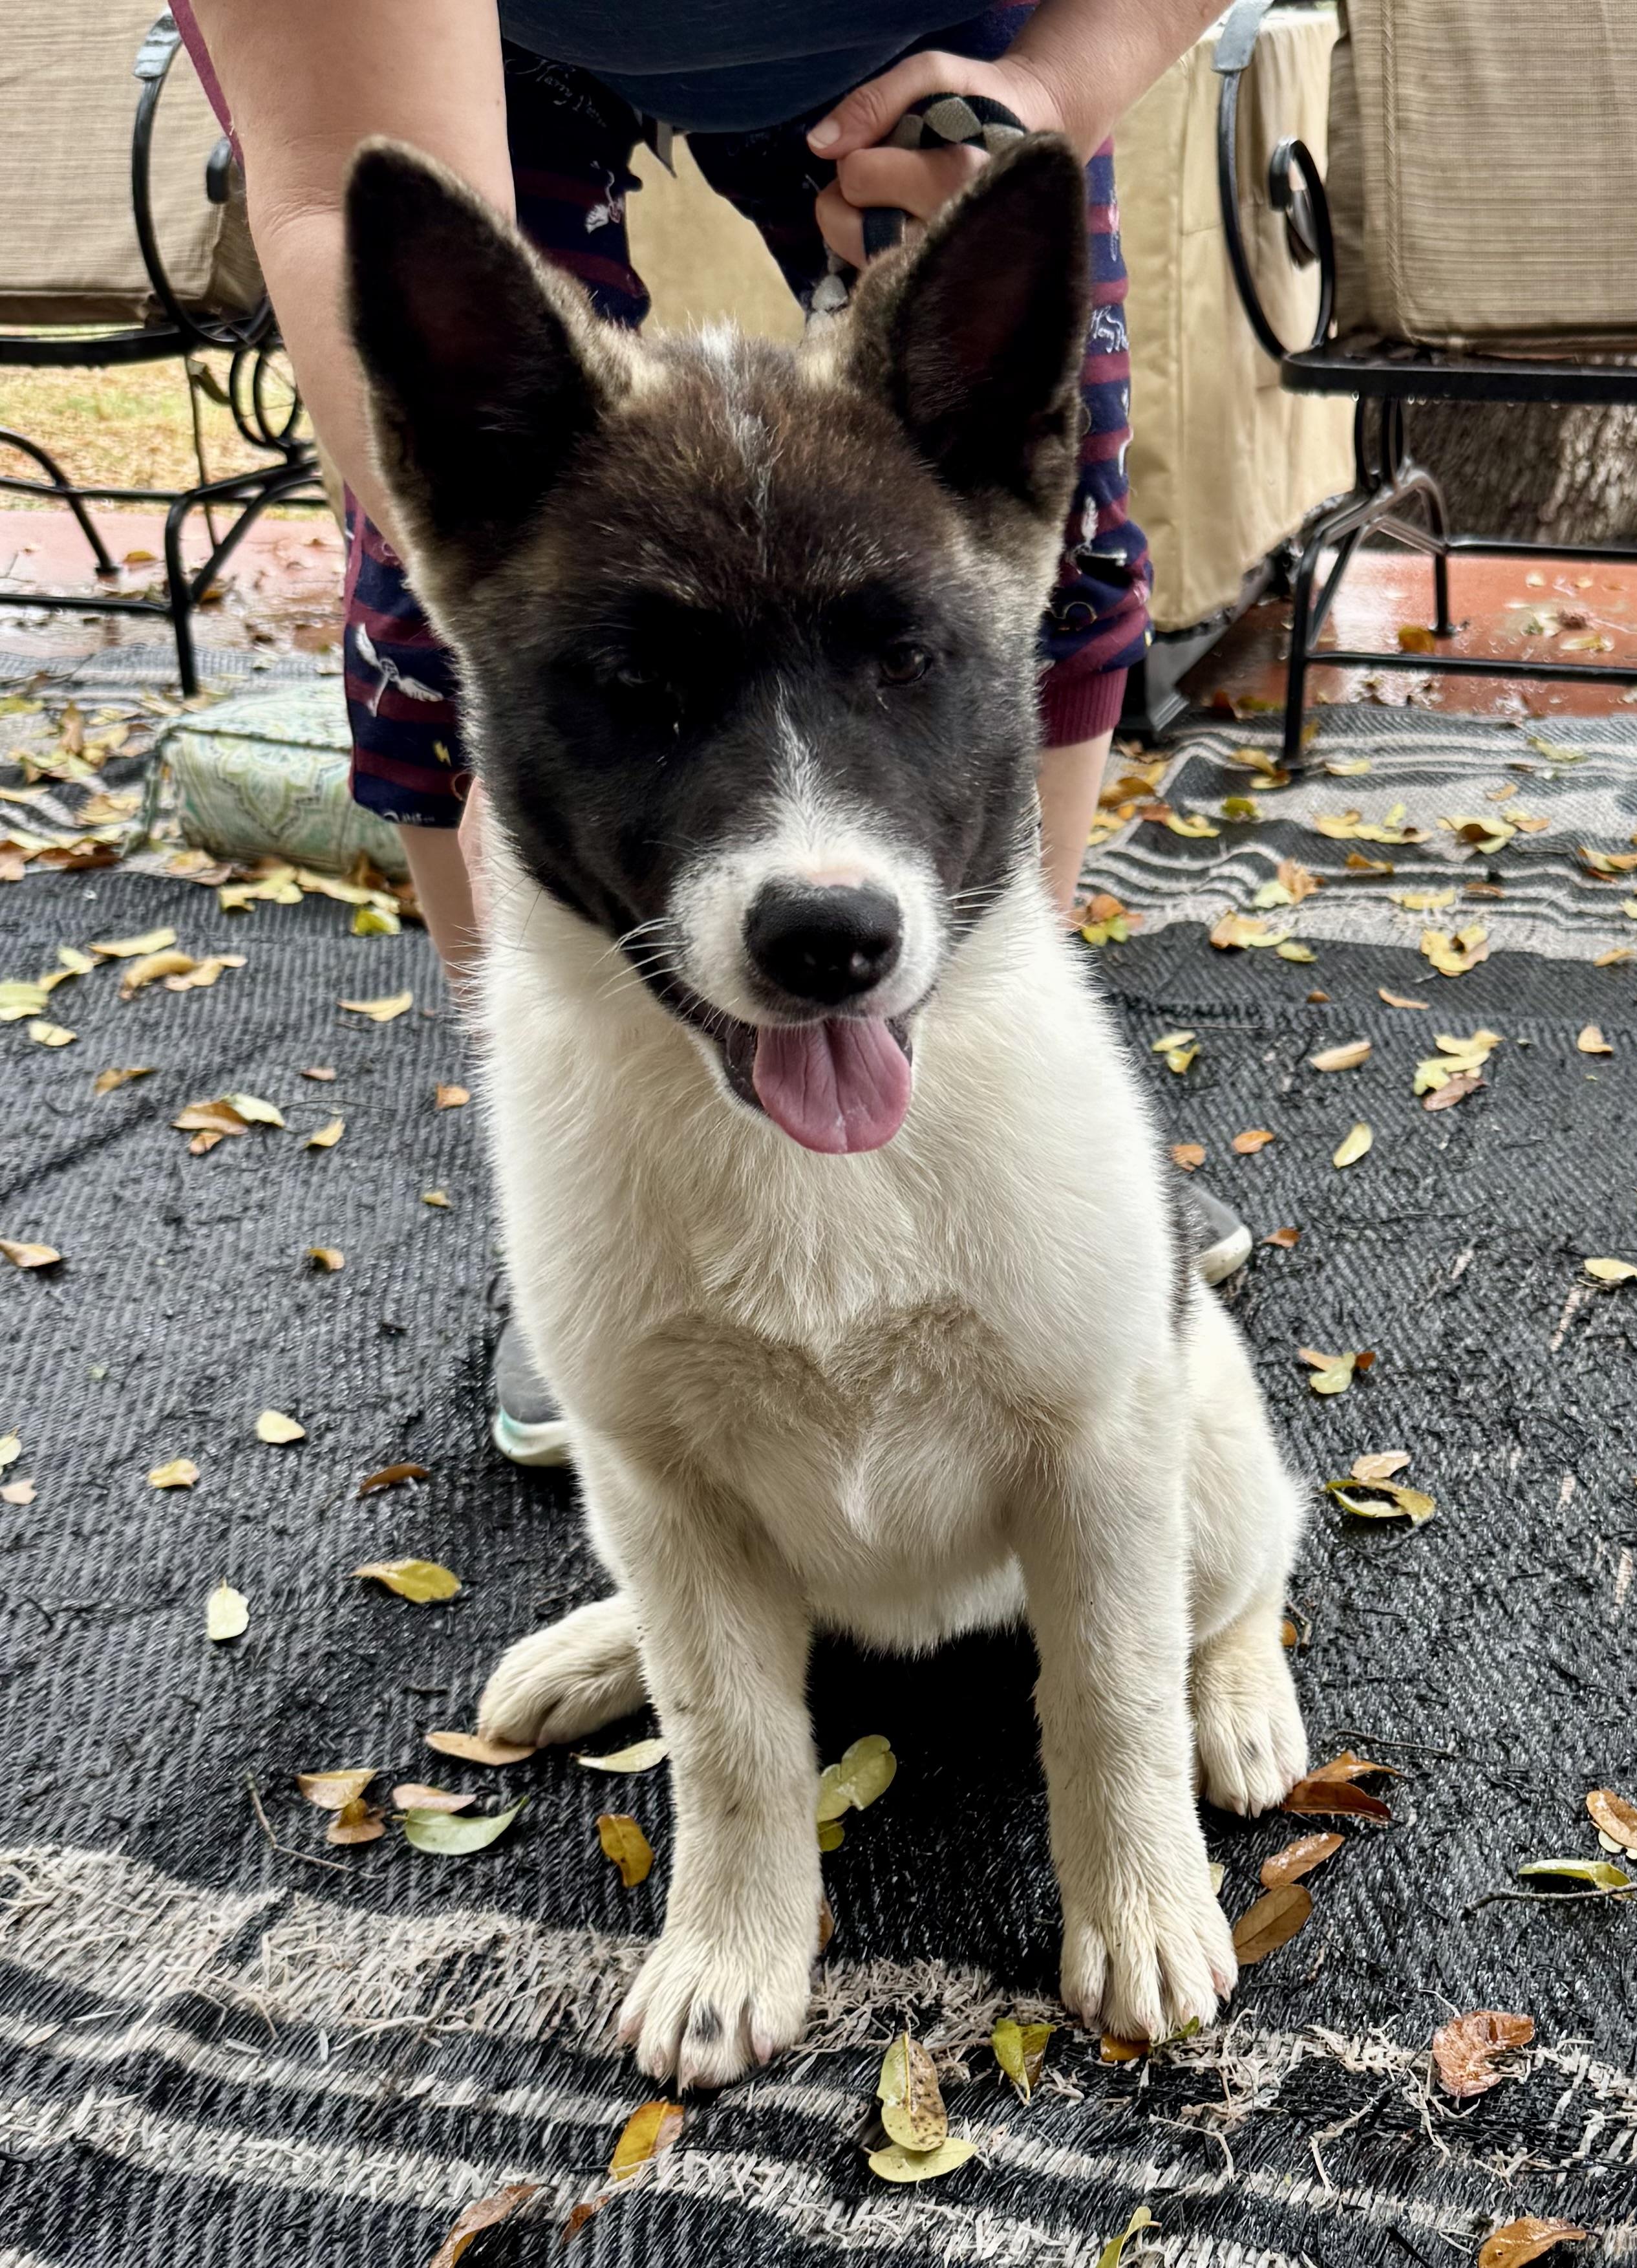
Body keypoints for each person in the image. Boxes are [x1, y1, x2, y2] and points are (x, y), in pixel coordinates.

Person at [178, 0, 1250, 1461]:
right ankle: (596, 1197)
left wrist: (1050, 84)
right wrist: (488, 537)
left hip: (921, 29)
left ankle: (1020, 1134)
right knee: (441, 616)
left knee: (1046, 556)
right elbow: (331, 188)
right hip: (471, 49)